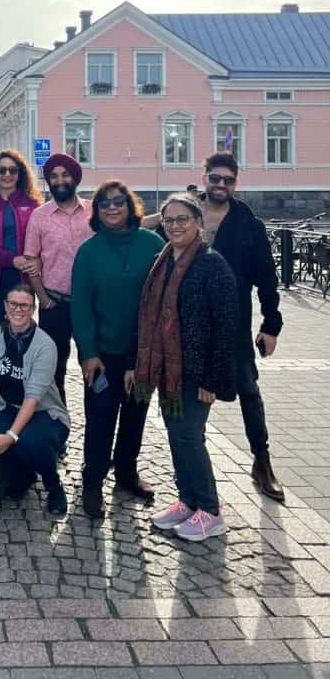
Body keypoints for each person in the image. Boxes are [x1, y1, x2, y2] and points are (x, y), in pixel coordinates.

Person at [135, 194, 238, 542]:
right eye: (169, 220)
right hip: (168, 368)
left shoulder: (211, 264)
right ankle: (188, 500)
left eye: (182, 219)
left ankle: (210, 510)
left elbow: (227, 326)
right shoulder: (163, 260)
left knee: (189, 436)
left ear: (198, 222)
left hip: (198, 370)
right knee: (176, 434)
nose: (175, 226)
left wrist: (214, 378)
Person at [70, 180, 165, 518]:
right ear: (96, 211)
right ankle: (93, 480)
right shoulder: (89, 251)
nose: (112, 208)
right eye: (104, 204)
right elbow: (80, 307)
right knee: (99, 417)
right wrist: (88, 354)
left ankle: (126, 471)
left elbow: (161, 302)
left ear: (130, 205)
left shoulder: (153, 244)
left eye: (118, 202)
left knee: (135, 414)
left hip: (141, 351)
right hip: (103, 354)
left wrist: (146, 353)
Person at [199, 152, 285, 500]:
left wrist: (272, 324)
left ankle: (261, 461)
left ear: (235, 183)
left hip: (234, 322)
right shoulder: (184, 215)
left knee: (248, 389)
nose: (221, 185)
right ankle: (193, 464)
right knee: (191, 395)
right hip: (190, 320)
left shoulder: (248, 224)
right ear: (204, 177)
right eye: (215, 178)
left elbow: (267, 276)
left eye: (227, 180)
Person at [0, 283, 70, 517]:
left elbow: (33, 398)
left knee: (29, 440)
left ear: (33, 309)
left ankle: (54, 486)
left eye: (25, 305)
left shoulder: (45, 345)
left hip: (43, 412)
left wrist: (10, 436)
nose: (18, 310)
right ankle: (23, 474)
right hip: (7, 407)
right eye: (13, 304)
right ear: (5, 306)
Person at [23, 153, 92, 402]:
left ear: (75, 177)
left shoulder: (94, 211)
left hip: (91, 306)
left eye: (65, 174)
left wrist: (162, 217)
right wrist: (43, 298)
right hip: (55, 303)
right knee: (52, 369)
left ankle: (95, 427)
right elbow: (31, 259)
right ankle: (57, 425)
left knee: (93, 365)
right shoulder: (39, 216)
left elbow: (124, 231)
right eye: (54, 176)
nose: (60, 180)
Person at [0, 149, 42, 323]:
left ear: (20, 174)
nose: (7, 174)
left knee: (21, 325)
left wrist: (39, 261)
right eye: (2, 170)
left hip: (23, 277)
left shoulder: (33, 205)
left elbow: (43, 240)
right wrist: (12, 260)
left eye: (13, 170)